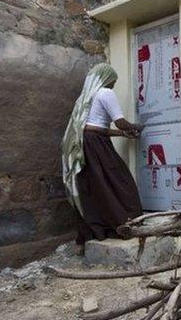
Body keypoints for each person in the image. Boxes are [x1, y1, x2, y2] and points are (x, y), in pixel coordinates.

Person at [61, 63, 144, 249]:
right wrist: (136, 127)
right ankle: (126, 221)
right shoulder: (106, 93)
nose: (114, 84)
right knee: (119, 181)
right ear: (107, 79)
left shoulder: (86, 98)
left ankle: (96, 229)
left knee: (95, 186)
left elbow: (96, 127)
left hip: (85, 143)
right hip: (96, 144)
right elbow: (120, 122)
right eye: (113, 80)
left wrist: (123, 135)